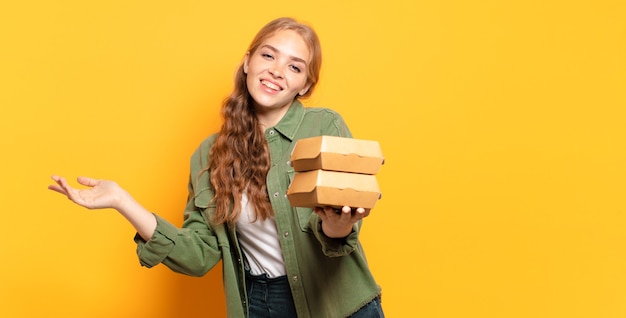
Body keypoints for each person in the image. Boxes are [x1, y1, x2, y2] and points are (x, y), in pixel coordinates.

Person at [48, 17, 384, 318]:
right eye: (268, 56)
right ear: (247, 62)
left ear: (306, 85)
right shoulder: (209, 154)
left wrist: (337, 227)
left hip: (338, 305)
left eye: (295, 67)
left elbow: (341, 230)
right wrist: (123, 201)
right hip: (258, 305)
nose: (277, 71)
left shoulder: (324, 126)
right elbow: (199, 255)